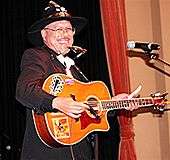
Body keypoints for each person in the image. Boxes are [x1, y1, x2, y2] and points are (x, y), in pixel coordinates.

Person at [16, 1, 140, 160]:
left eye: (68, 29)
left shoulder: (73, 69)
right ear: (44, 34)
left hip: (82, 154)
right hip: (48, 154)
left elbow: (89, 110)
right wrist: (56, 102)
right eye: (58, 29)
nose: (65, 34)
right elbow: (24, 90)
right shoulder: (37, 56)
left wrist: (115, 102)